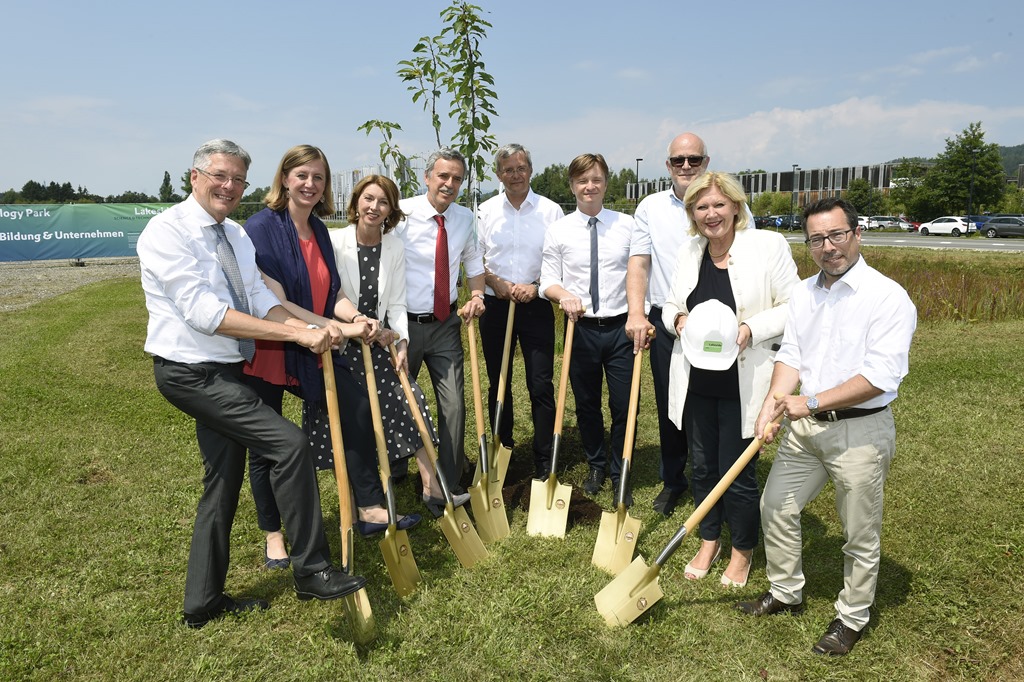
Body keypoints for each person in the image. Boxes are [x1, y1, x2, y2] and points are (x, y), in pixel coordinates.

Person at [137, 139, 365, 629]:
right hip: (188, 372)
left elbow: (261, 297)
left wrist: (307, 330)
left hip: (225, 371)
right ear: (194, 176)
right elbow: (205, 315)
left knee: (222, 483)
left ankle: (202, 602)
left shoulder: (236, 235)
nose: (229, 187)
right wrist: (293, 333)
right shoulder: (167, 231)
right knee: (288, 444)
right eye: (220, 176)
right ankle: (312, 569)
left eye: (238, 179)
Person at [736, 198, 916, 657]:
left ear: (857, 233)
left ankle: (851, 617)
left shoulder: (888, 297)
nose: (828, 247)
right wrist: (772, 406)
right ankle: (784, 591)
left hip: (859, 433)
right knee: (775, 505)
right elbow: (791, 354)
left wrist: (809, 401)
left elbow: (880, 377)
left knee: (859, 532)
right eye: (817, 239)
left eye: (837, 235)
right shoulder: (804, 292)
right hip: (804, 430)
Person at [242, 146, 419, 544]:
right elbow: (276, 302)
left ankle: (370, 508)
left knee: (357, 409)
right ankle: (274, 535)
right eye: (302, 175)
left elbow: (332, 291)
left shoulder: (319, 230)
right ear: (285, 178)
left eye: (318, 178)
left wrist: (354, 318)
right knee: (266, 446)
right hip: (272, 345)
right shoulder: (262, 227)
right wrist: (338, 328)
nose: (310, 184)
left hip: (319, 343)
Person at [661, 172, 799, 588]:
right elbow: (670, 303)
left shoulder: (767, 246)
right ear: (692, 214)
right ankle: (708, 538)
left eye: (719, 205)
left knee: (738, 472)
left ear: (736, 207)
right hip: (698, 379)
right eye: (701, 207)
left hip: (745, 379)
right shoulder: (690, 251)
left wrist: (750, 329)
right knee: (702, 466)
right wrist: (678, 319)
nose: (711, 214)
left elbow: (795, 306)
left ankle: (742, 551)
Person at [331, 174, 468, 518]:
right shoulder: (335, 242)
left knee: (410, 398)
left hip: (379, 342)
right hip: (342, 345)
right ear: (356, 202)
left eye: (383, 202)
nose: (374, 207)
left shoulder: (393, 247)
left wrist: (401, 341)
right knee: (361, 416)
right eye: (368, 199)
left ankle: (431, 484)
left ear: (391, 210)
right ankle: (370, 498)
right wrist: (357, 325)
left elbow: (395, 302)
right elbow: (331, 294)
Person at [540, 153, 636, 505]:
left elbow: (641, 275)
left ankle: (619, 467)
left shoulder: (628, 226)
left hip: (621, 328)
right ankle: (596, 465)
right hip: (579, 329)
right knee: (587, 404)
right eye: (582, 181)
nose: (589, 186)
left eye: (595, 179)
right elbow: (547, 281)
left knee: (625, 404)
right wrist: (563, 294)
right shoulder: (559, 229)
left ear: (605, 182)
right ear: (572, 186)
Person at [625, 132, 709, 516]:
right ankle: (674, 480)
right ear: (668, 165)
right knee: (670, 403)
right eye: (679, 161)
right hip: (664, 323)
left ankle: (712, 479)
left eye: (694, 159)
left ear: (705, 162)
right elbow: (639, 263)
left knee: (712, 401)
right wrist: (637, 313)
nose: (687, 167)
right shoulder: (650, 208)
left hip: (713, 324)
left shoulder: (723, 202)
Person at [396, 148, 486, 490]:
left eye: (457, 179)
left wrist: (476, 296)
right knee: (400, 398)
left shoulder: (465, 218)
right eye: (443, 176)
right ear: (427, 177)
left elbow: (473, 263)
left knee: (454, 404)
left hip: (446, 324)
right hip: (403, 325)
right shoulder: (401, 214)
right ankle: (396, 466)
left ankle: (449, 480)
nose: (449, 184)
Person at [477, 143, 564, 480]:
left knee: (540, 382)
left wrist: (537, 284)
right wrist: (493, 281)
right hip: (496, 305)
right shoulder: (484, 211)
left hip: (536, 304)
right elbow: (475, 259)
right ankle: (504, 452)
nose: (515, 175)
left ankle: (544, 460)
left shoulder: (550, 210)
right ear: (498, 175)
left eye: (521, 167)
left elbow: (558, 259)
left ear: (531, 170)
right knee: (499, 381)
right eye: (508, 169)